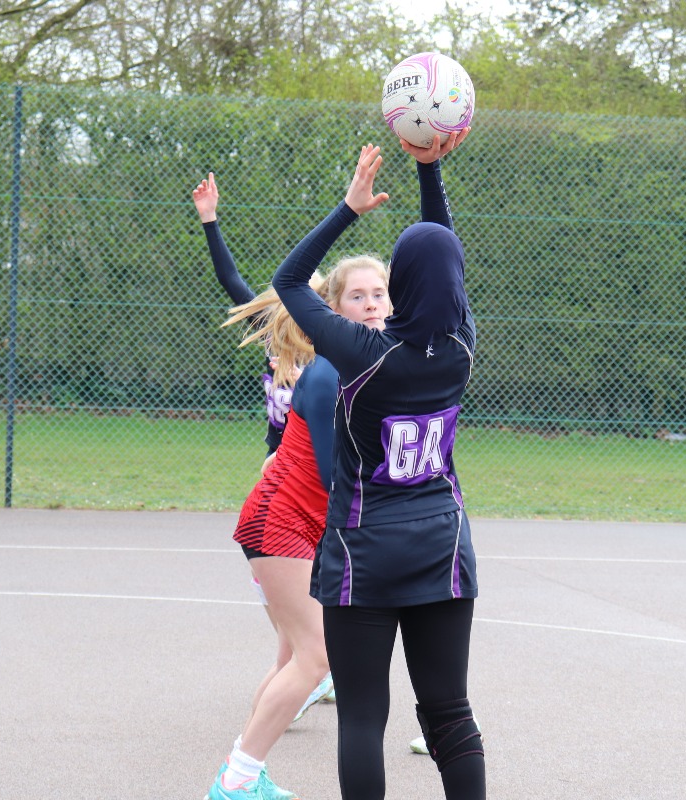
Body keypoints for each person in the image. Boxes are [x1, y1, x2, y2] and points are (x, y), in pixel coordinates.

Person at [273, 133, 485, 800]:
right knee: (449, 713)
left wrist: (350, 208)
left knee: (364, 717)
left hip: (364, 548)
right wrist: (432, 169)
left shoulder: (362, 351)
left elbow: (285, 281)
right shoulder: (460, 345)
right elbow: (441, 253)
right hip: (443, 545)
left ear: (400, 282)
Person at [205, 254, 391, 800]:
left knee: (292, 656)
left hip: (294, 523)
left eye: (379, 293)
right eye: (356, 296)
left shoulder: (361, 367)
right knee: (315, 658)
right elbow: (340, 479)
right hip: (281, 524)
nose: (371, 304)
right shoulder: (330, 371)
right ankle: (235, 780)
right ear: (332, 310)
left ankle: (243, 769)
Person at [192, 174, 335, 714]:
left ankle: (314, 661)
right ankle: (308, 663)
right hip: (281, 473)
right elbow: (230, 280)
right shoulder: (279, 345)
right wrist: (210, 220)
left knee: (323, 577)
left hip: (310, 469)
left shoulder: (332, 350)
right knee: (288, 587)